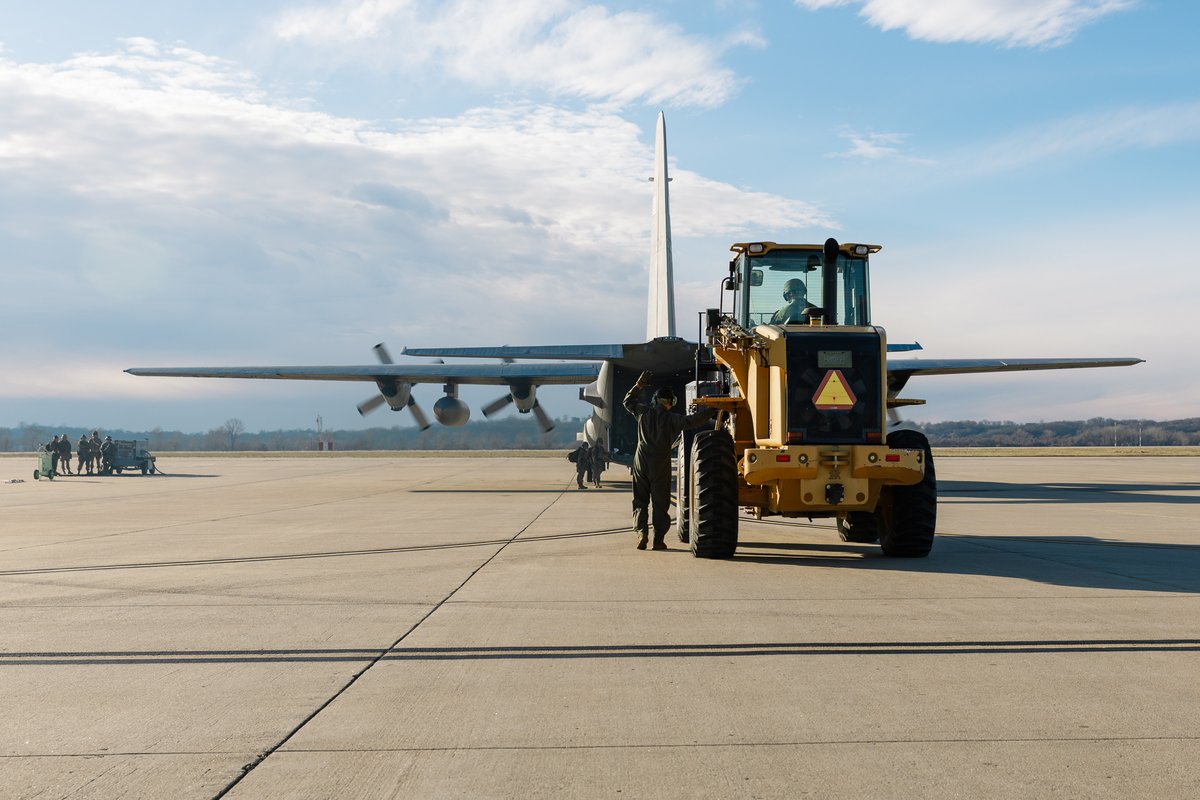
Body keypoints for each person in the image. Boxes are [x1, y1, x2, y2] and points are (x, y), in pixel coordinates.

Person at [623, 371, 715, 551]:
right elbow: (693, 421)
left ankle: (641, 533)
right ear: (670, 402)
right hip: (660, 463)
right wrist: (712, 409)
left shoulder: (643, 413)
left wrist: (638, 386)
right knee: (660, 503)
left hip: (640, 461)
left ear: (655, 400)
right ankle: (658, 539)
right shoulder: (673, 419)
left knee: (640, 501)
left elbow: (627, 402)